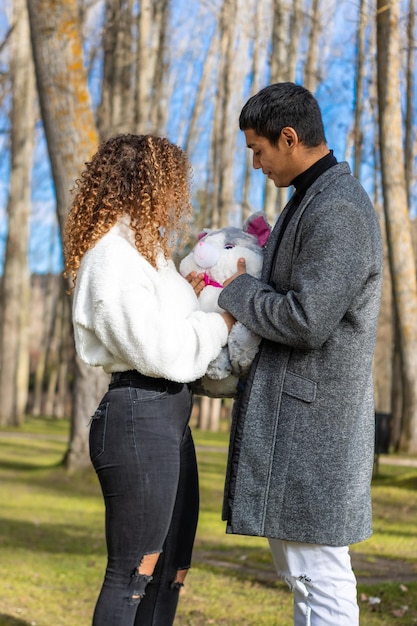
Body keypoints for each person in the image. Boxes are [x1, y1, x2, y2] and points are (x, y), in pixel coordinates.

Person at [216, 83, 383, 625]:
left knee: (322, 580)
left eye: (258, 150)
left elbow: (308, 320)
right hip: (297, 425)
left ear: (289, 138)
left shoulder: (338, 209)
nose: (257, 163)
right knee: (304, 576)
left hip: (316, 430)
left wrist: (236, 291)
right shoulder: (309, 199)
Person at [63, 133, 234, 626]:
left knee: (171, 570)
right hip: (137, 416)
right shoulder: (111, 258)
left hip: (169, 418)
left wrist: (191, 291)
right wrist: (220, 321)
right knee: (134, 574)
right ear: (144, 184)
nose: (177, 198)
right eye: (171, 185)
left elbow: (168, 326)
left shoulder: (148, 255)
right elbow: (161, 350)